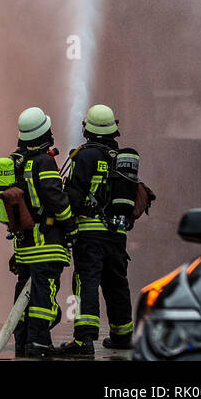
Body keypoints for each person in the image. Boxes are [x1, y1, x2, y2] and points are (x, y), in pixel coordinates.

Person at [58, 104, 136, 358]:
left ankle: (84, 340)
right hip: (117, 233)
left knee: (86, 280)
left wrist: (65, 214)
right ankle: (123, 335)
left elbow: (76, 194)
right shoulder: (121, 157)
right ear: (113, 129)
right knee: (116, 282)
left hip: (90, 233)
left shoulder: (84, 155)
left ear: (87, 128)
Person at [10, 106, 76, 358]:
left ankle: (23, 341)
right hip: (45, 242)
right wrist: (70, 226)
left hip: (24, 244)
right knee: (43, 292)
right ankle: (38, 341)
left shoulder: (17, 161)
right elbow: (54, 197)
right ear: (44, 132)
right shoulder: (44, 161)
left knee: (23, 294)